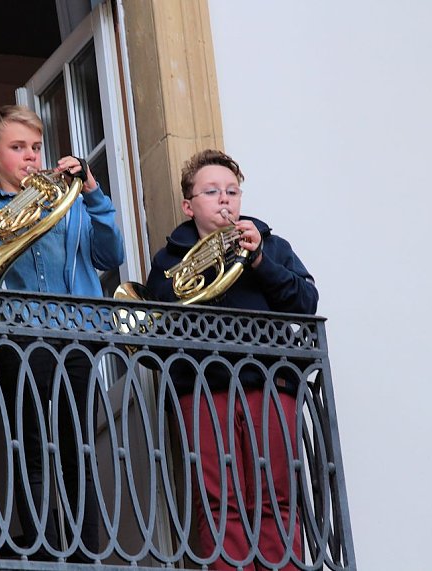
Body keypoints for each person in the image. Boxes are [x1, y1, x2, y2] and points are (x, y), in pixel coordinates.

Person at [0, 105, 125, 561]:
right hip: (16, 340)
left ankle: (85, 550)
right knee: (29, 446)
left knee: (77, 446)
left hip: (76, 336)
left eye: (35, 147)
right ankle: (43, 546)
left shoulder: (70, 204)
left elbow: (110, 255)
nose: (30, 156)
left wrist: (92, 192)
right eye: (17, 147)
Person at [145, 149, 319, 570]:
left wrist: (257, 260)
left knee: (277, 495)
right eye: (211, 192)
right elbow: (156, 321)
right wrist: (203, 265)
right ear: (190, 206)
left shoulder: (271, 245)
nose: (224, 200)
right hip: (202, 386)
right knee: (219, 500)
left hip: (269, 382)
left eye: (232, 191)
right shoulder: (170, 259)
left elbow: (306, 302)